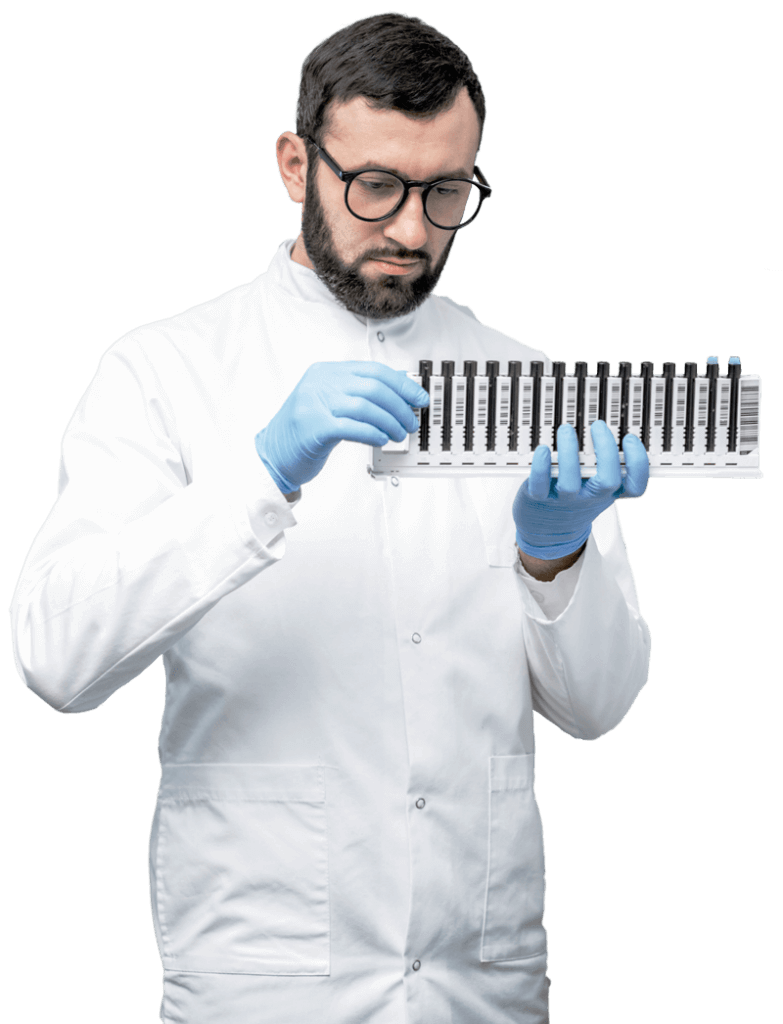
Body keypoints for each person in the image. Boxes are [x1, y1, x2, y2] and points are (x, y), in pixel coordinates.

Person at [11, 12, 713, 1024]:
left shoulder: (525, 383)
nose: (414, 230)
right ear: (298, 164)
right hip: (265, 979)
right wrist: (260, 473)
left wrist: (554, 555)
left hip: (485, 980)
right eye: (376, 185)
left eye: (447, 192)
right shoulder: (165, 371)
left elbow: (598, 709)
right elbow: (56, 656)